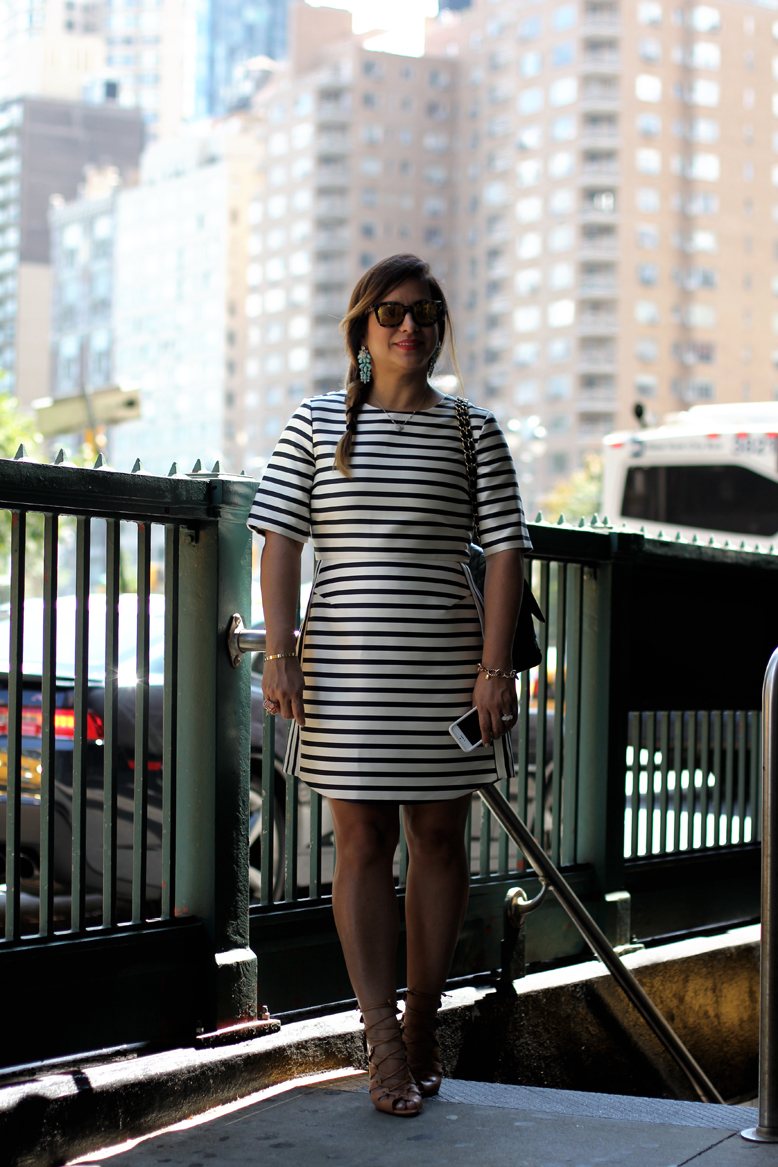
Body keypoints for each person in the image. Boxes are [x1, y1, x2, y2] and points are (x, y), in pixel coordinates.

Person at [248, 253, 532, 1117]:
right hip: (343, 668)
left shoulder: (472, 431)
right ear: (364, 330)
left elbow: (509, 553)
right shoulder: (313, 422)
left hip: (447, 666)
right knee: (363, 844)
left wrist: (494, 672)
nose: (412, 325)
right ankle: (380, 1043)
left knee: (439, 843)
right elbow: (280, 542)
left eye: (427, 312)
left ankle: (421, 1025)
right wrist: (280, 650)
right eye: (393, 312)